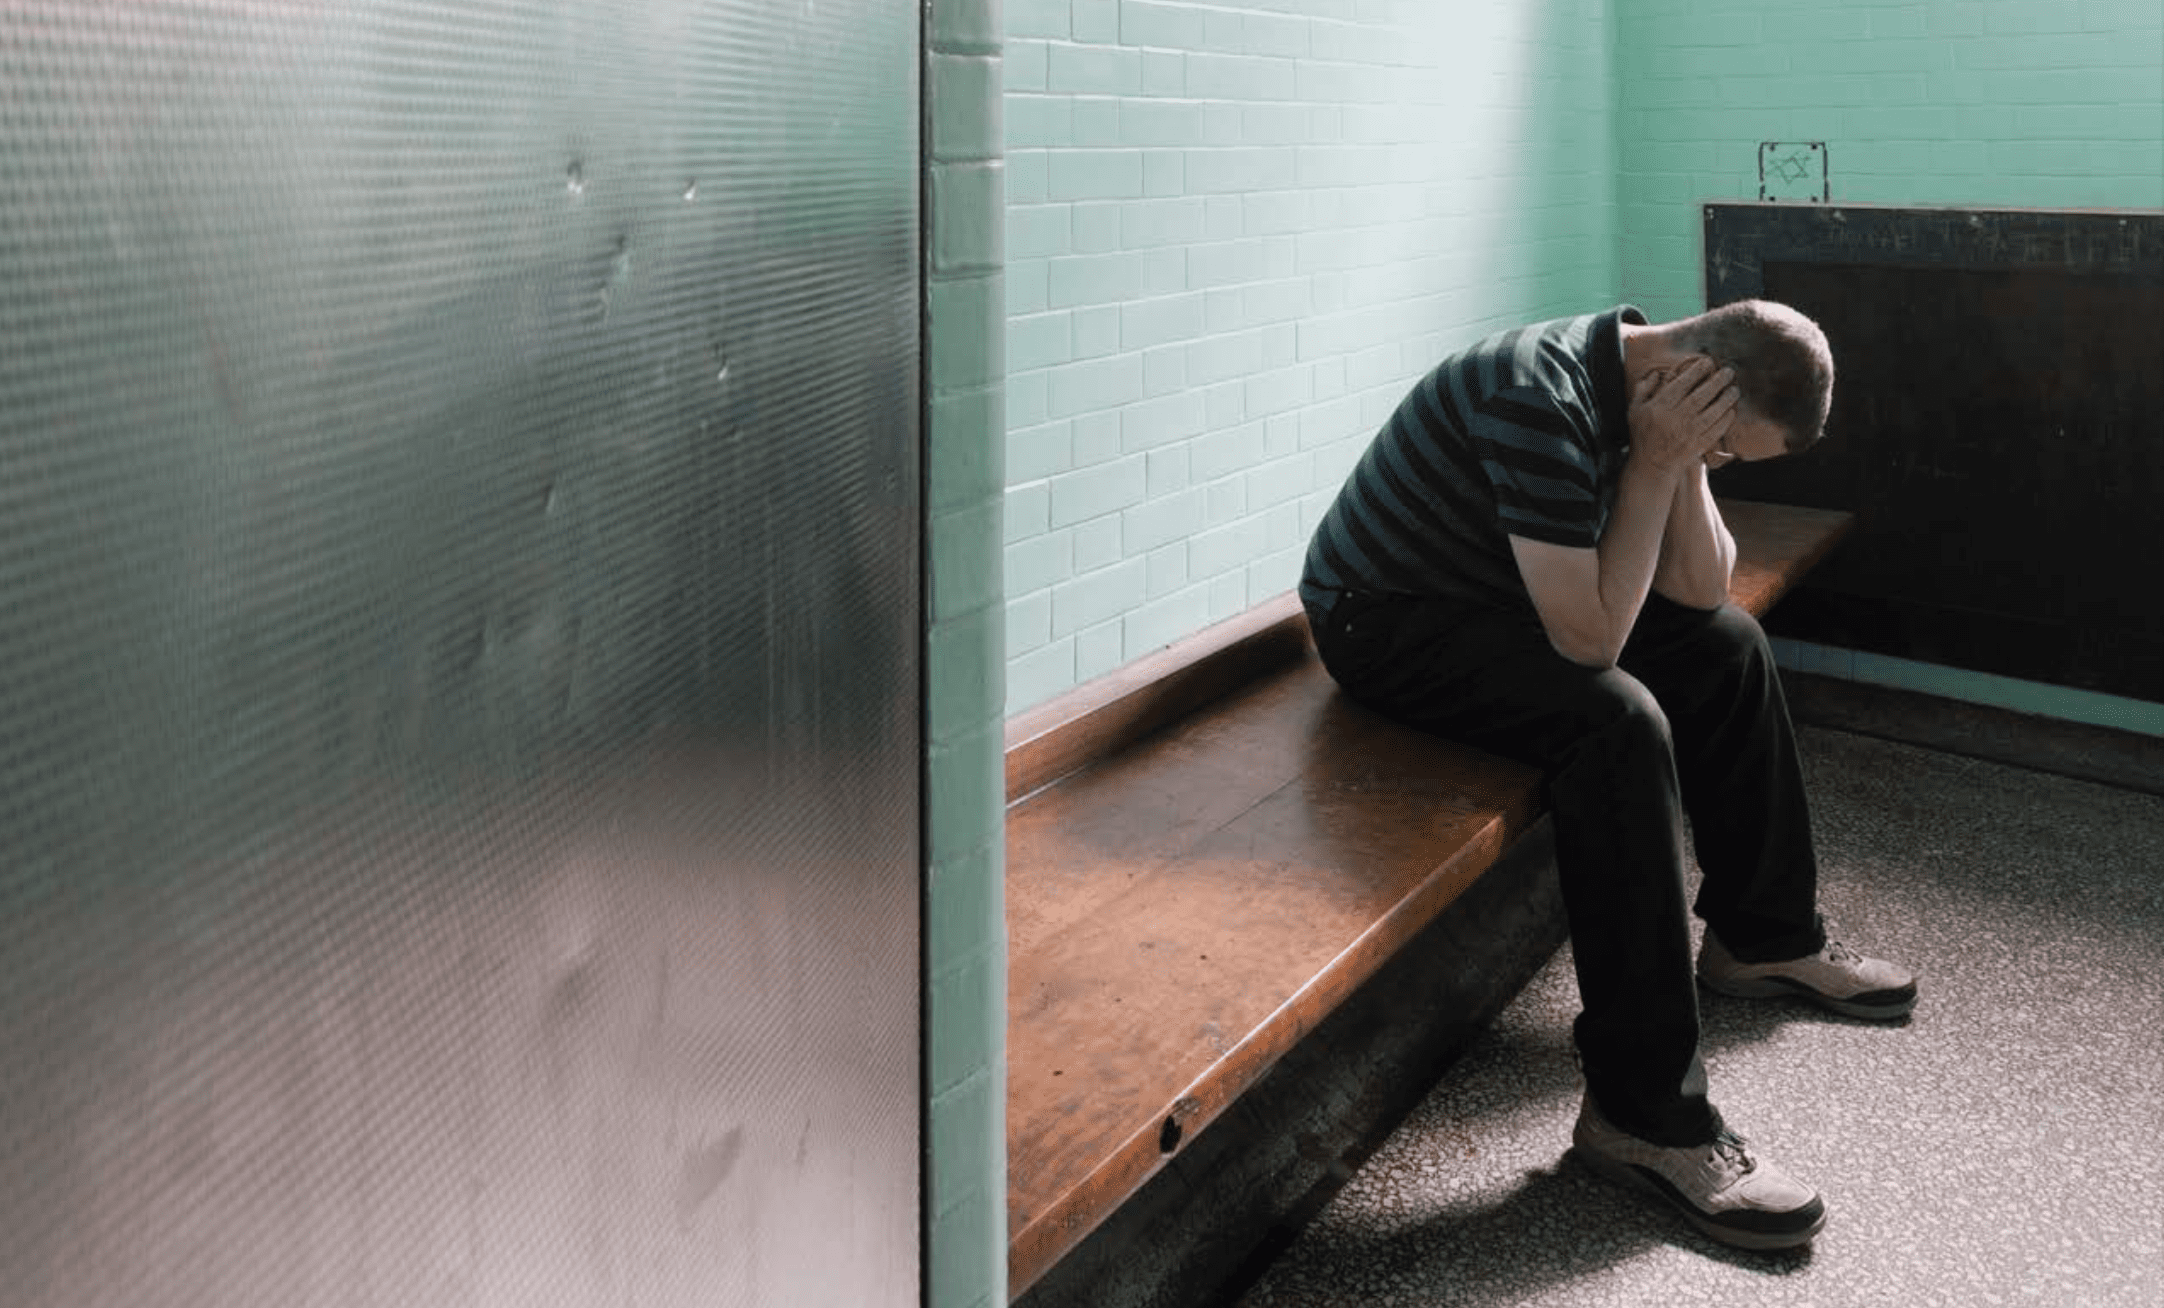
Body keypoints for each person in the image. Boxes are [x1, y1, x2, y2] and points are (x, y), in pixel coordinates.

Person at [1297, 299, 1917, 1251]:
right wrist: (1663, 462)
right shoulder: (1534, 398)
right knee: (1618, 725)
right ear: (1705, 386)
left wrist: (1680, 467)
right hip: (1383, 620)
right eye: (1731, 451)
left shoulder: (1650, 380)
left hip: (1502, 590)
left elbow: (1703, 592)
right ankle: (1642, 1118)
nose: (1721, 466)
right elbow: (1589, 644)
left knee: (1729, 645)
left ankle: (1762, 938)